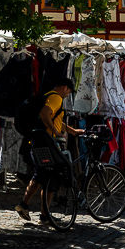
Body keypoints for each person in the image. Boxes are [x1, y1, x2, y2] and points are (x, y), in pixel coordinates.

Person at [16, 78, 83, 222]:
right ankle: (39, 212)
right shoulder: (56, 98)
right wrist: (55, 132)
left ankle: (31, 208)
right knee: (53, 175)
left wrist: (72, 131)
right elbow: (45, 114)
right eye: (68, 92)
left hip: (39, 140)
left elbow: (56, 119)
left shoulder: (48, 95)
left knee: (42, 174)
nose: (67, 95)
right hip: (46, 142)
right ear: (65, 87)